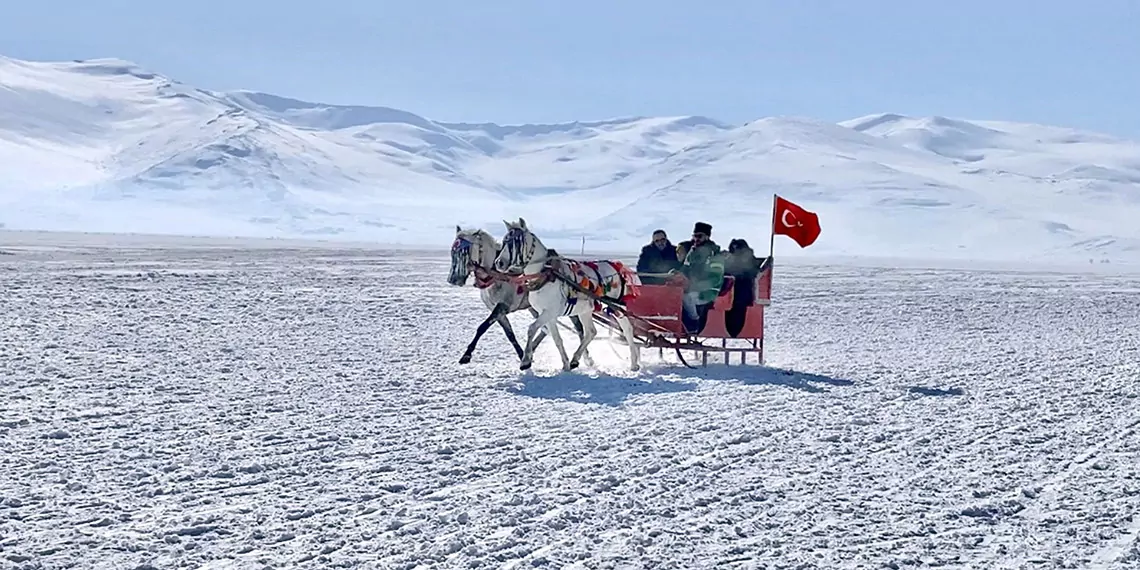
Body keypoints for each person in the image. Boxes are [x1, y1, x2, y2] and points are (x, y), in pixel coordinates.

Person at [678, 222, 723, 333]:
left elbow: (715, 279)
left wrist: (696, 286)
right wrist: (676, 275)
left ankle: (694, 323)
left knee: (688, 298)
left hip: (708, 291)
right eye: (694, 236)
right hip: (691, 287)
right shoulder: (692, 252)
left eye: (700, 236)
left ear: (707, 237)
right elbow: (685, 269)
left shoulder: (714, 255)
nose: (696, 239)